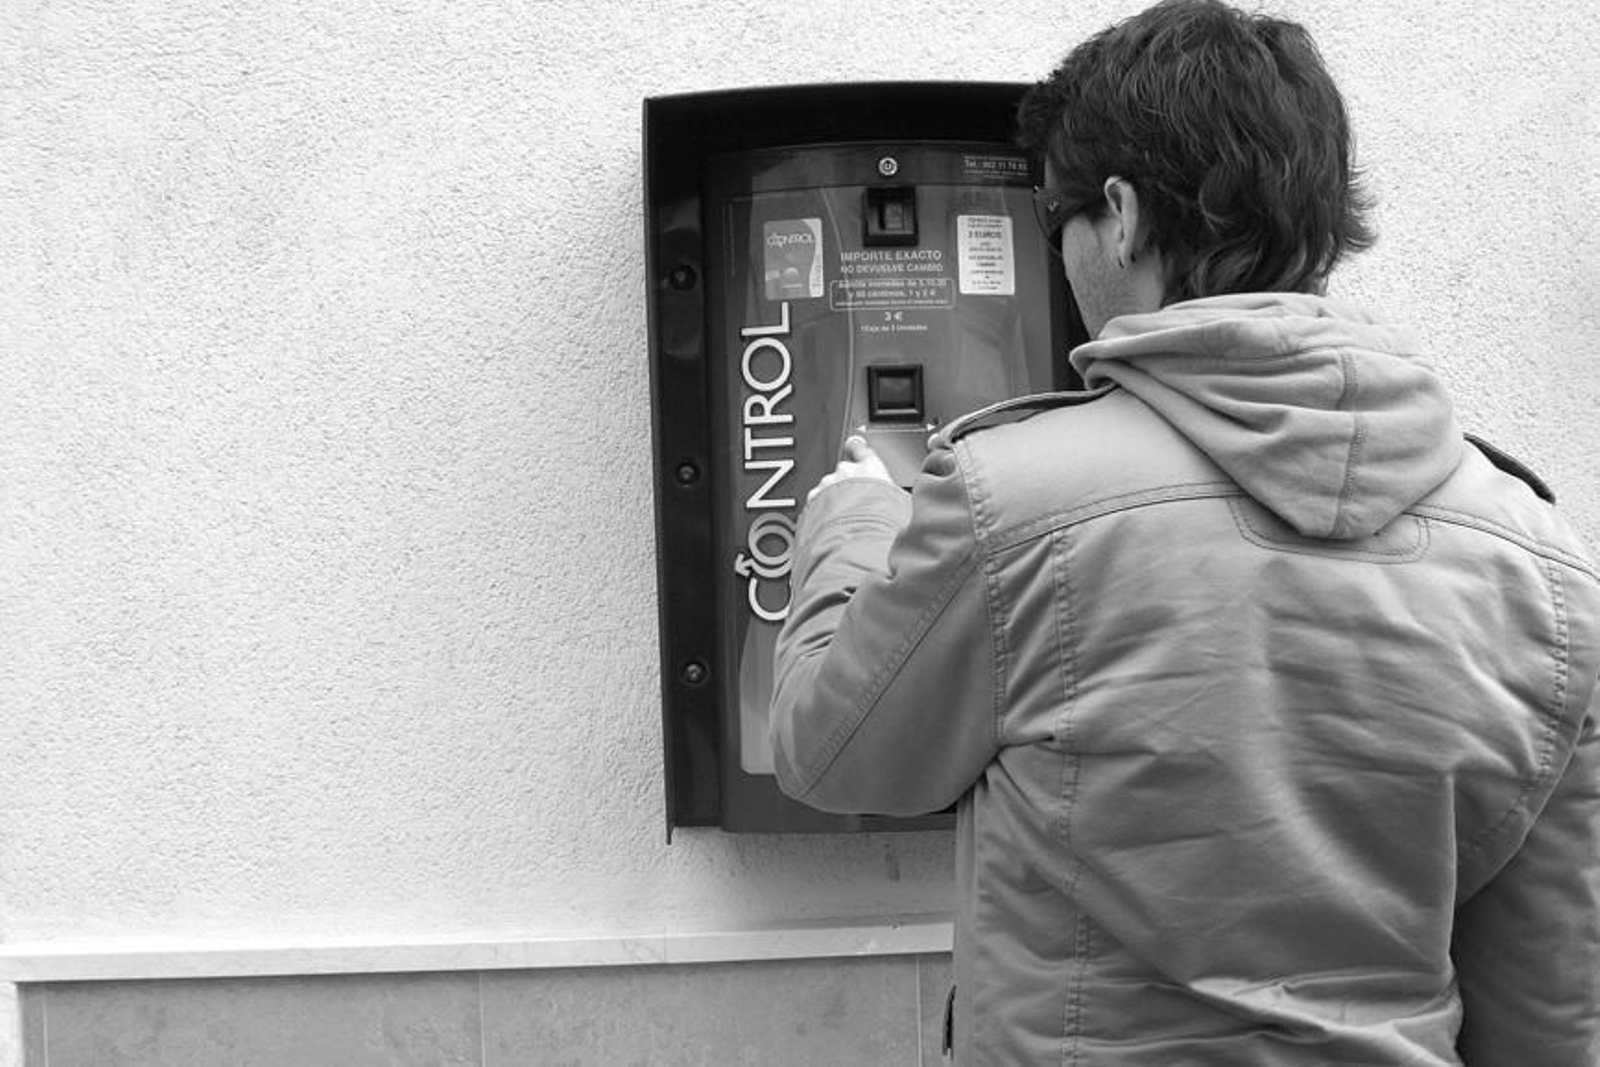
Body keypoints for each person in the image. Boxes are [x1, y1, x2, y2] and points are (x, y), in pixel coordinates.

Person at [766, 1, 1600, 1063]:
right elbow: (1549, 1006)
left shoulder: (1010, 501)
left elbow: (831, 750)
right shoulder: (1541, 563)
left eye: (1055, 223)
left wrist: (851, 520)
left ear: (1118, 215)